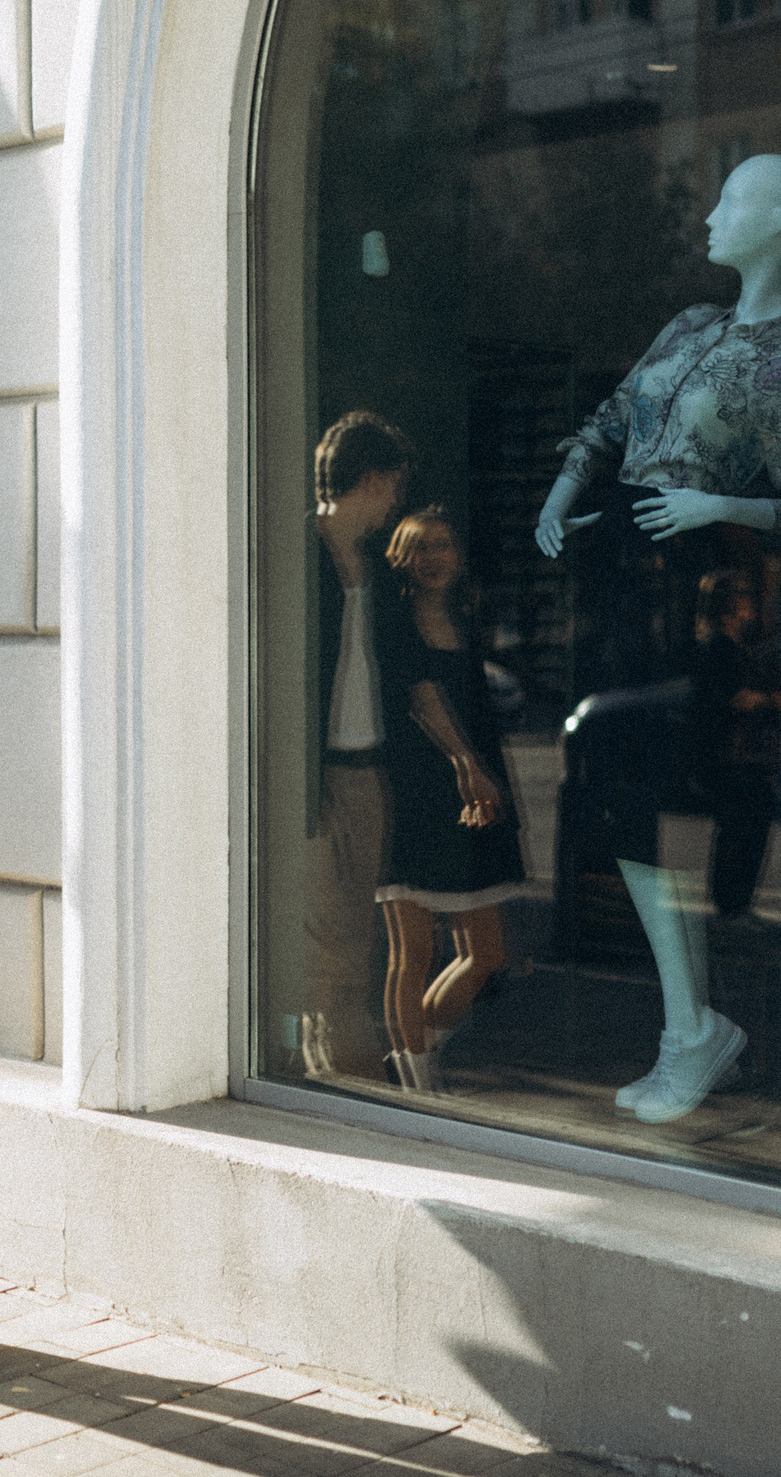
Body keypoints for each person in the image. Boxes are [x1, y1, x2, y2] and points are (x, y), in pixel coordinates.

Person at [537, 153, 781, 1123]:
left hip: (700, 591)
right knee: (616, 802)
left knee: (666, 804)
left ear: (779, 219)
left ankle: (690, 1029)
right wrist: (567, 490)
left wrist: (712, 503)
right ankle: (689, 1023)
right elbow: (616, 414)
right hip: (625, 578)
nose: (708, 215)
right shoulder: (692, 324)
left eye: (731, 198)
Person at [375, 507, 525, 1092]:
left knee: (484, 953)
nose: (433, 557)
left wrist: (488, 778)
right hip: (416, 790)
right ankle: (417, 1085)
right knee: (414, 951)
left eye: (443, 545)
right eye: (420, 547)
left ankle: (413, 1055)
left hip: (474, 792)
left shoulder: (465, 621)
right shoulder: (395, 621)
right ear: (402, 558)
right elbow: (421, 699)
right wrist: (466, 765)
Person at [300, 410, 417, 1080]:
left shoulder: (376, 567)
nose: (396, 500)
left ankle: (337, 1061)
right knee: (323, 934)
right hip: (311, 771)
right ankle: (335, 1067)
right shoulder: (296, 553)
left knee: (357, 930)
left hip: (369, 771)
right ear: (370, 479)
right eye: (392, 485)